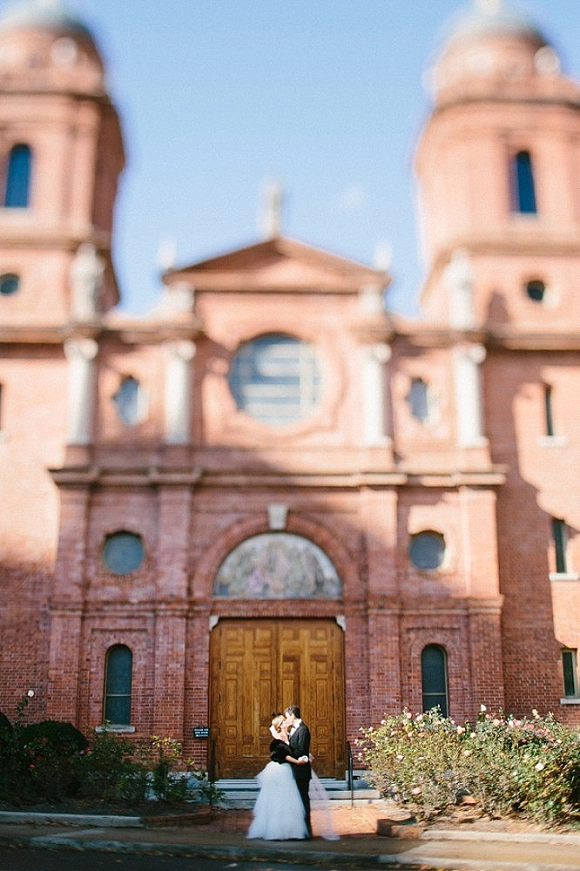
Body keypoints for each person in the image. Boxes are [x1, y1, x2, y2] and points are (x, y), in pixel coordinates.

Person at [247, 714, 309, 841]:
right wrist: (297, 762)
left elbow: (293, 750)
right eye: (284, 721)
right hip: (280, 770)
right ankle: (276, 829)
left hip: (287, 770)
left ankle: (289, 830)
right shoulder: (278, 739)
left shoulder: (288, 736)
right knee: (279, 799)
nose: (287, 722)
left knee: (288, 800)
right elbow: (283, 755)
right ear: (280, 725)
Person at [284, 704, 313, 838]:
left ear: (293, 716)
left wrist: (286, 752)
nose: (286, 720)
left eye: (287, 717)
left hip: (301, 771)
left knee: (303, 800)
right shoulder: (294, 729)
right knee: (296, 801)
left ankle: (306, 831)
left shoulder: (303, 730)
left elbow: (301, 750)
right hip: (294, 770)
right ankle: (297, 830)